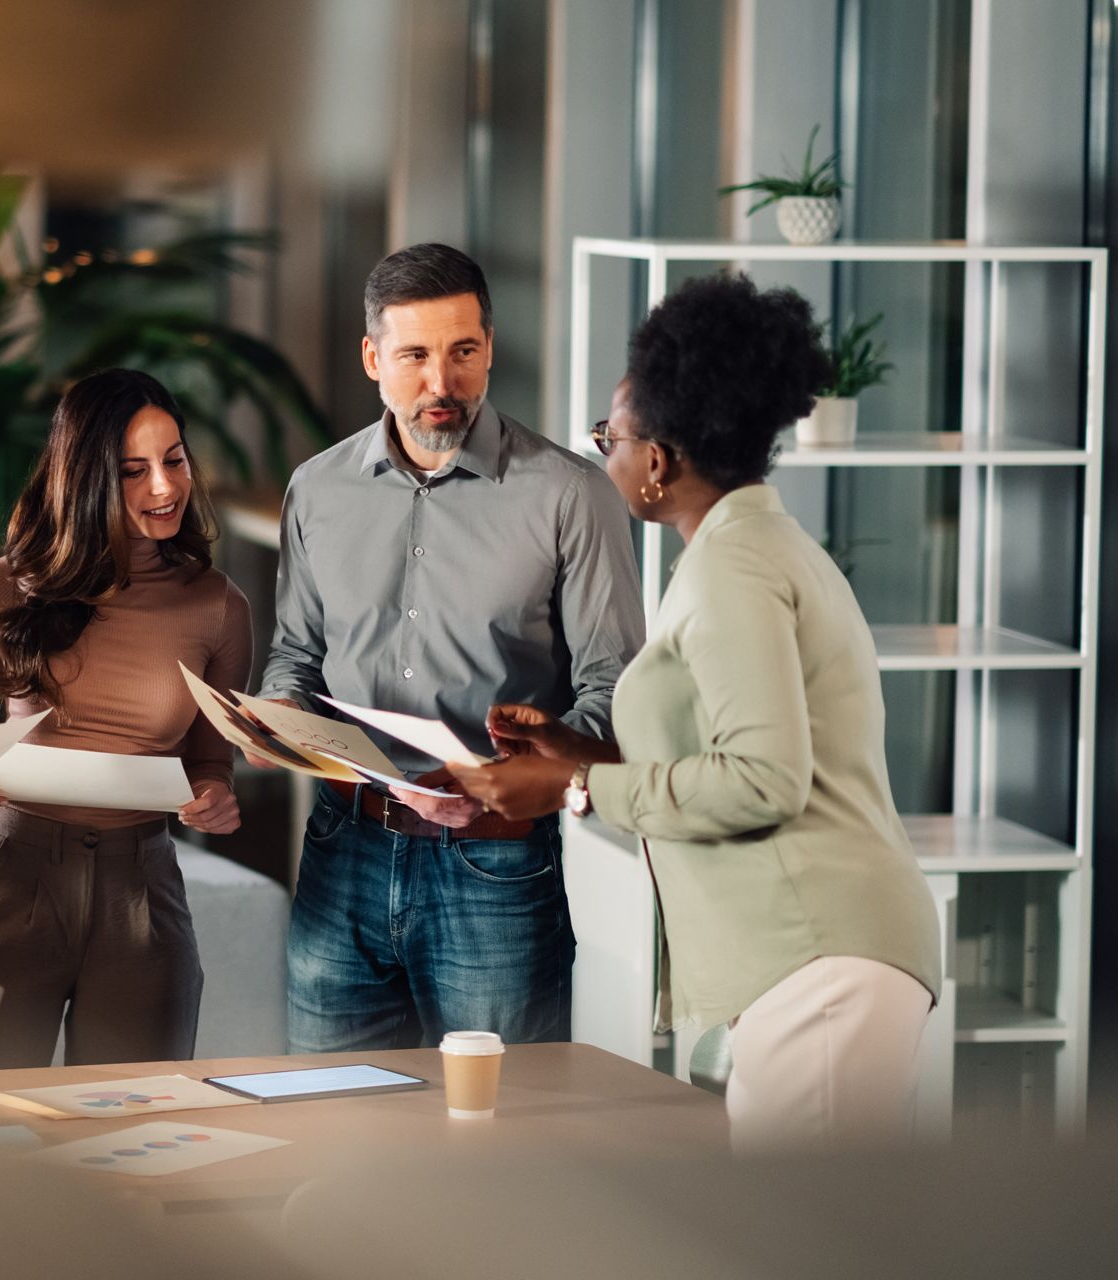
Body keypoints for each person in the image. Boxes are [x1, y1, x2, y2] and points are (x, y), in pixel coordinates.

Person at [448, 273, 942, 1151]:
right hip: (817, 957)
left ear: (660, 461)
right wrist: (578, 753)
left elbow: (764, 780)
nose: (605, 456)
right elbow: (729, 747)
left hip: (819, 954)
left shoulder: (732, 571)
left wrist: (576, 792)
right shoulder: (751, 548)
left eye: (611, 438)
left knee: (795, 1241)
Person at [256, 243, 645, 1052]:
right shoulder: (316, 490)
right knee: (332, 1129)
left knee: (494, 1140)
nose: (442, 383)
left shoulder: (572, 496)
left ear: (490, 348)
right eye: (416, 356)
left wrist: (524, 772)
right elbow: (296, 649)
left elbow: (616, 688)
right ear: (372, 357)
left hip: (494, 871)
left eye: (464, 352)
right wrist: (279, 716)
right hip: (341, 852)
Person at [0, 368, 250, 1068]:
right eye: (133, 471)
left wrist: (216, 798)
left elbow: (209, 762)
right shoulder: (7, 584)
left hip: (142, 884)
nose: (165, 487)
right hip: (16, 872)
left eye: (174, 460)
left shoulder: (219, 607)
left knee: (133, 1136)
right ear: (83, 480)